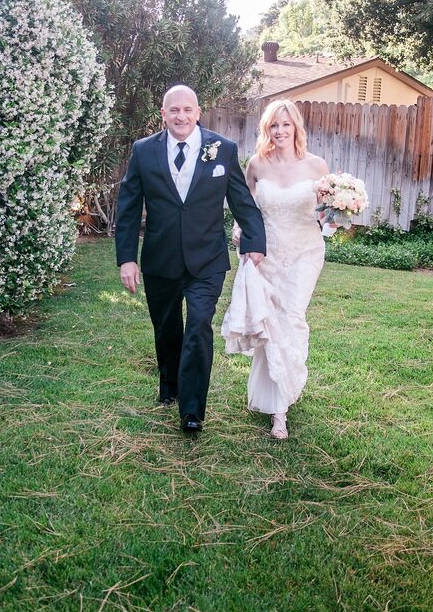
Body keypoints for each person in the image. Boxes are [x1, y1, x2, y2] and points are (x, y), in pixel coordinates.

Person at [115, 85, 266, 435]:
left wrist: (255, 241)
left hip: (207, 261)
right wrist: (127, 259)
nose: (181, 116)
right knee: (167, 328)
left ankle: (192, 410)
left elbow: (242, 200)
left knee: (198, 326)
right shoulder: (143, 151)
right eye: (174, 110)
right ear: (163, 114)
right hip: (160, 260)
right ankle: (169, 385)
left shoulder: (222, 150)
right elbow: (128, 208)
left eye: (188, 110)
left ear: (198, 112)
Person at [221, 99, 330, 440]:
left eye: (285, 124)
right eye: (273, 126)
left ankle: (289, 384)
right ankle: (278, 411)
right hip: (266, 255)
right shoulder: (257, 164)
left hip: (304, 253)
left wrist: (337, 213)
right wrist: (241, 233)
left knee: (292, 318)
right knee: (271, 324)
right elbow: (246, 209)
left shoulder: (316, 166)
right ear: (266, 130)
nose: (280, 131)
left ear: (296, 127)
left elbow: (326, 212)